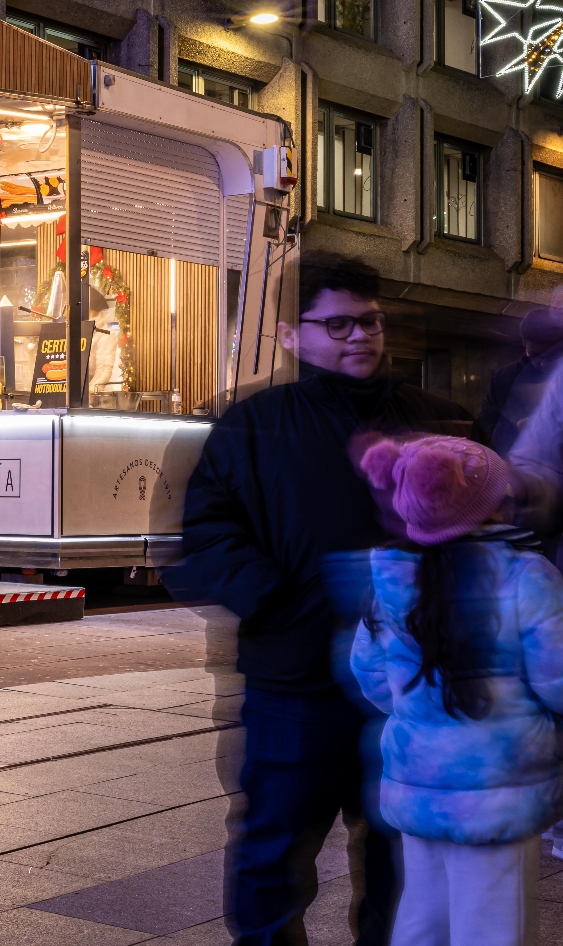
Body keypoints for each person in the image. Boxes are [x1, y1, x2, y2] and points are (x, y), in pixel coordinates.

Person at [169, 253, 477, 946]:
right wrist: (279, 602)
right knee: (275, 857)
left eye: (370, 321)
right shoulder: (254, 425)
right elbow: (205, 534)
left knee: (403, 862)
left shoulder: (440, 421)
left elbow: (487, 529)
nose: (360, 336)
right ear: (290, 335)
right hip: (296, 683)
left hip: (412, 687)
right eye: (338, 324)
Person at [351, 435, 563, 946]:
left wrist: (424, 717)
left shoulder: (392, 579)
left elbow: (370, 674)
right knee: (493, 925)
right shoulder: (525, 576)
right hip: (499, 789)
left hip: (417, 780)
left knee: (423, 917)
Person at [476, 306, 563, 457]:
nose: (543, 364)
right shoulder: (504, 378)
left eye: (551, 356)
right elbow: (484, 428)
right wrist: (515, 428)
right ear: (524, 342)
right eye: (535, 355)